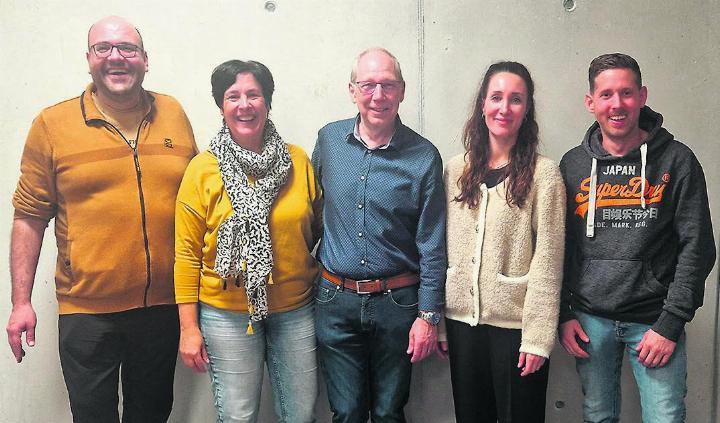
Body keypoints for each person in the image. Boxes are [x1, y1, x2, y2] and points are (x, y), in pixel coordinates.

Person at [6, 16, 197, 423]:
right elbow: (28, 217)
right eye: (103, 48)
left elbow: (198, 203)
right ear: (89, 59)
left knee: (152, 415)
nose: (116, 57)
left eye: (127, 48)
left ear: (145, 60)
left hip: (162, 307)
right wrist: (21, 301)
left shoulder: (174, 113)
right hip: (87, 312)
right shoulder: (52, 125)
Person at [559, 53, 716, 423]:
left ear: (642, 96)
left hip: (654, 319)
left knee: (665, 417)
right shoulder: (573, 165)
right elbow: (558, 248)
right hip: (589, 320)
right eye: (607, 94)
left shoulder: (677, 161)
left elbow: (698, 247)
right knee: (598, 417)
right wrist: (564, 314)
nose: (617, 105)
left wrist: (670, 323)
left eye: (626, 93)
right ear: (590, 102)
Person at [174, 59, 321, 423]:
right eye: (233, 96)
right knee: (239, 417)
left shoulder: (297, 161)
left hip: (295, 309)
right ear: (221, 106)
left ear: (267, 102)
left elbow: (317, 229)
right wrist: (188, 328)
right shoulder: (202, 169)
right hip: (226, 316)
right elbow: (187, 255)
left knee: (301, 416)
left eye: (254, 95)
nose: (244, 105)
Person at [311, 47, 447, 423]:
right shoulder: (328, 141)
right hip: (335, 301)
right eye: (368, 85)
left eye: (387, 85)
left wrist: (429, 316)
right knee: (347, 411)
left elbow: (433, 243)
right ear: (352, 90)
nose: (378, 95)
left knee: (389, 412)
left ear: (402, 91)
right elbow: (312, 212)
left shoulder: (423, 156)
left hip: (398, 304)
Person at [441, 61, 566, 423]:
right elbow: (439, 246)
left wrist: (539, 338)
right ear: (482, 105)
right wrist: (438, 321)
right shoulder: (455, 170)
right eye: (496, 97)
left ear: (526, 110)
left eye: (515, 99)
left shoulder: (544, 175)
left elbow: (549, 260)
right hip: (462, 326)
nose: (504, 108)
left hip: (517, 330)